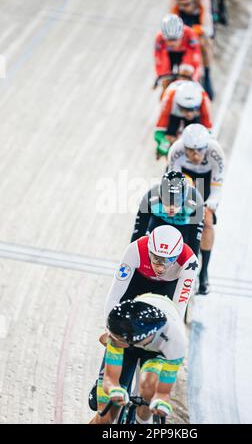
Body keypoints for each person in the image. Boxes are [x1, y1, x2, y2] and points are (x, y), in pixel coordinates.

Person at [88, 225, 198, 415]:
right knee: (119, 333)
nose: (161, 266)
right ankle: (106, 374)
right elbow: (115, 295)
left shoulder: (189, 262)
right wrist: (111, 329)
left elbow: (177, 309)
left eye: (168, 261)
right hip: (135, 288)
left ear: (178, 256)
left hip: (166, 294)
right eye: (156, 258)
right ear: (149, 250)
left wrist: (165, 341)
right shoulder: (135, 250)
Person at [89, 294, 186, 424]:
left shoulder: (175, 341)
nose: (110, 339)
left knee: (149, 388)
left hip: (158, 349)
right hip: (132, 338)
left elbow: (163, 393)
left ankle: (142, 421)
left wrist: (159, 401)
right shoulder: (120, 329)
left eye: (114, 338)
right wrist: (114, 390)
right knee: (104, 419)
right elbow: (110, 379)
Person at [168, 123, 225, 294]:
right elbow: (173, 185)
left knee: (207, 221)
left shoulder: (216, 152)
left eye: (199, 150)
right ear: (183, 147)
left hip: (206, 182)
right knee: (174, 214)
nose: (195, 155)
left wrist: (209, 206)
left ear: (206, 146)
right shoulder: (175, 151)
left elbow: (217, 189)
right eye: (191, 150)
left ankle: (204, 273)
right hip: (184, 178)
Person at [131, 171, 204, 258]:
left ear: (185, 197)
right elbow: (138, 232)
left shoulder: (196, 201)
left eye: (177, 200)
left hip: (184, 228)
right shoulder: (150, 197)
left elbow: (194, 242)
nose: (171, 207)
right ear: (160, 195)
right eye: (167, 200)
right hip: (159, 223)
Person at [169, 0, 215, 99]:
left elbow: (207, 28)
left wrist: (198, 33)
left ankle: (208, 73)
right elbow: (172, 23)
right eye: (182, 4)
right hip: (183, 20)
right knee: (173, 42)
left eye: (188, 4)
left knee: (205, 44)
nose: (185, 7)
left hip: (199, 18)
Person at [154, 79, 212, 157]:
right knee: (168, 140)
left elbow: (208, 131)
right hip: (174, 114)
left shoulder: (204, 99)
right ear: (177, 104)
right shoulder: (169, 99)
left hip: (194, 115)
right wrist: (164, 144)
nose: (189, 114)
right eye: (184, 109)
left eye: (192, 109)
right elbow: (159, 130)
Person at [154, 13, 202, 95]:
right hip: (168, 55)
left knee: (185, 76)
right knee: (166, 83)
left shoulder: (190, 35)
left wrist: (193, 79)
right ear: (163, 36)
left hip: (186, 53)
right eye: (169, 40)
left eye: (175, 39)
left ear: (182, 35)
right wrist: (162, 77)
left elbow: (196, 61)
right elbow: (159, 61)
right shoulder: (159, 39)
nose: (172, 43)